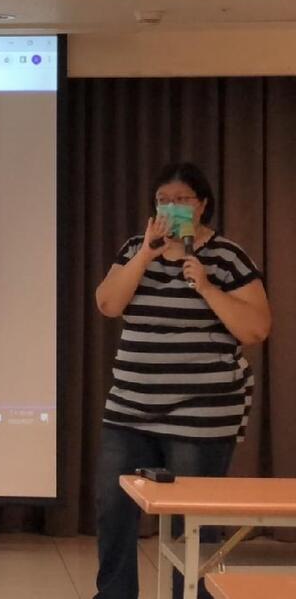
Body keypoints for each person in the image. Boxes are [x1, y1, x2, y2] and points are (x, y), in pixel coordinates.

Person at [92, 162, 271, 599]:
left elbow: (255, 329)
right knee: (112, 507)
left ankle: (190, 595)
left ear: (202, 205)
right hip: (130, 407)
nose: (170, 208)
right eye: (163, 201)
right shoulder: (135, 250)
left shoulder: (227, 257)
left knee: (193, 520)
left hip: (201, 414)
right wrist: (144, 256)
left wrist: (207, 287)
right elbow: (108, 304)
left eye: (181, 200)